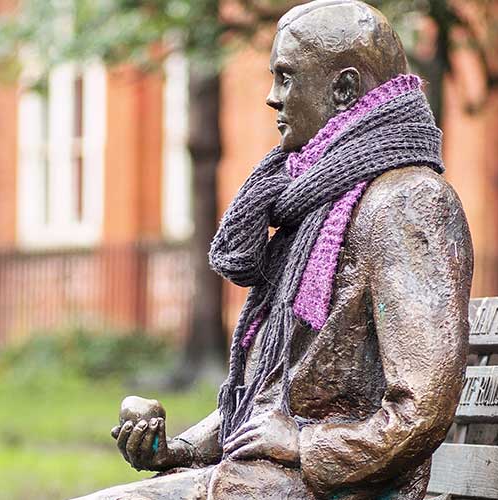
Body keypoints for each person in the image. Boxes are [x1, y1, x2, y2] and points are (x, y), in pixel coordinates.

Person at [77, 1, 473, 498]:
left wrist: (307, 444)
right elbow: (269, 398)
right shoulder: (314, 200)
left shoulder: (408, 201)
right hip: (271, 478)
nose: (271, 97)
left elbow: (422, 409)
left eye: (285, 78)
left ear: (343, 89)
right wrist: (179, 450)